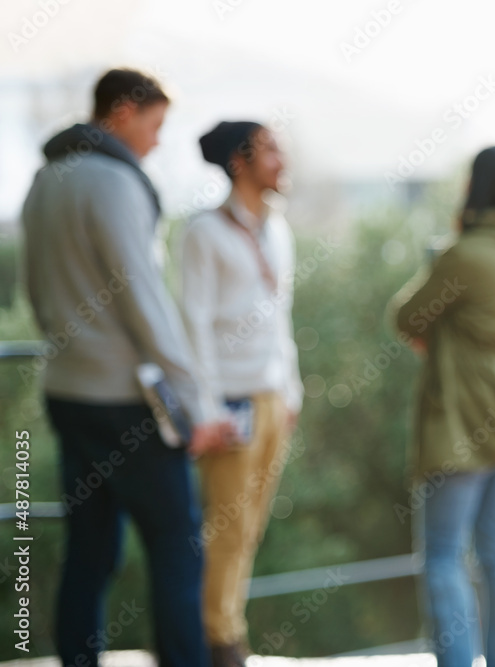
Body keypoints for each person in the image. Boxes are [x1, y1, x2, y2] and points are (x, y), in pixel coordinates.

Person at [21, 68, 233, 667]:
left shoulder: (42, 180)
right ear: (121, 113)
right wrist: (195, 408)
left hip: (67, 391)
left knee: (90, 550)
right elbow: (146, 301)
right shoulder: (114, 181)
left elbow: (34, 291)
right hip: (125, 401)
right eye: (155, 124)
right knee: (176, 545)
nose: (158, 141)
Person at [388, 146, 495, 667]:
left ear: (475, 189)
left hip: (464, 423)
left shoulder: (463, 256)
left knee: (443, 556)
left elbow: (406, 317)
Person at [178, 121, 304, 667]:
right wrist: (204, 410)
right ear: (239, 161)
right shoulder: (203, 232)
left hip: (272, 399)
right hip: (228, 402)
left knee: (250, 529)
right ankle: (218, 641)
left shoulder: (278, 229)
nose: (282, 159)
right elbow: (193, 324)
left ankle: (228, 630)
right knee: (226, 528)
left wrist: (291, 392)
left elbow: (283, 319)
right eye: (270, 149)